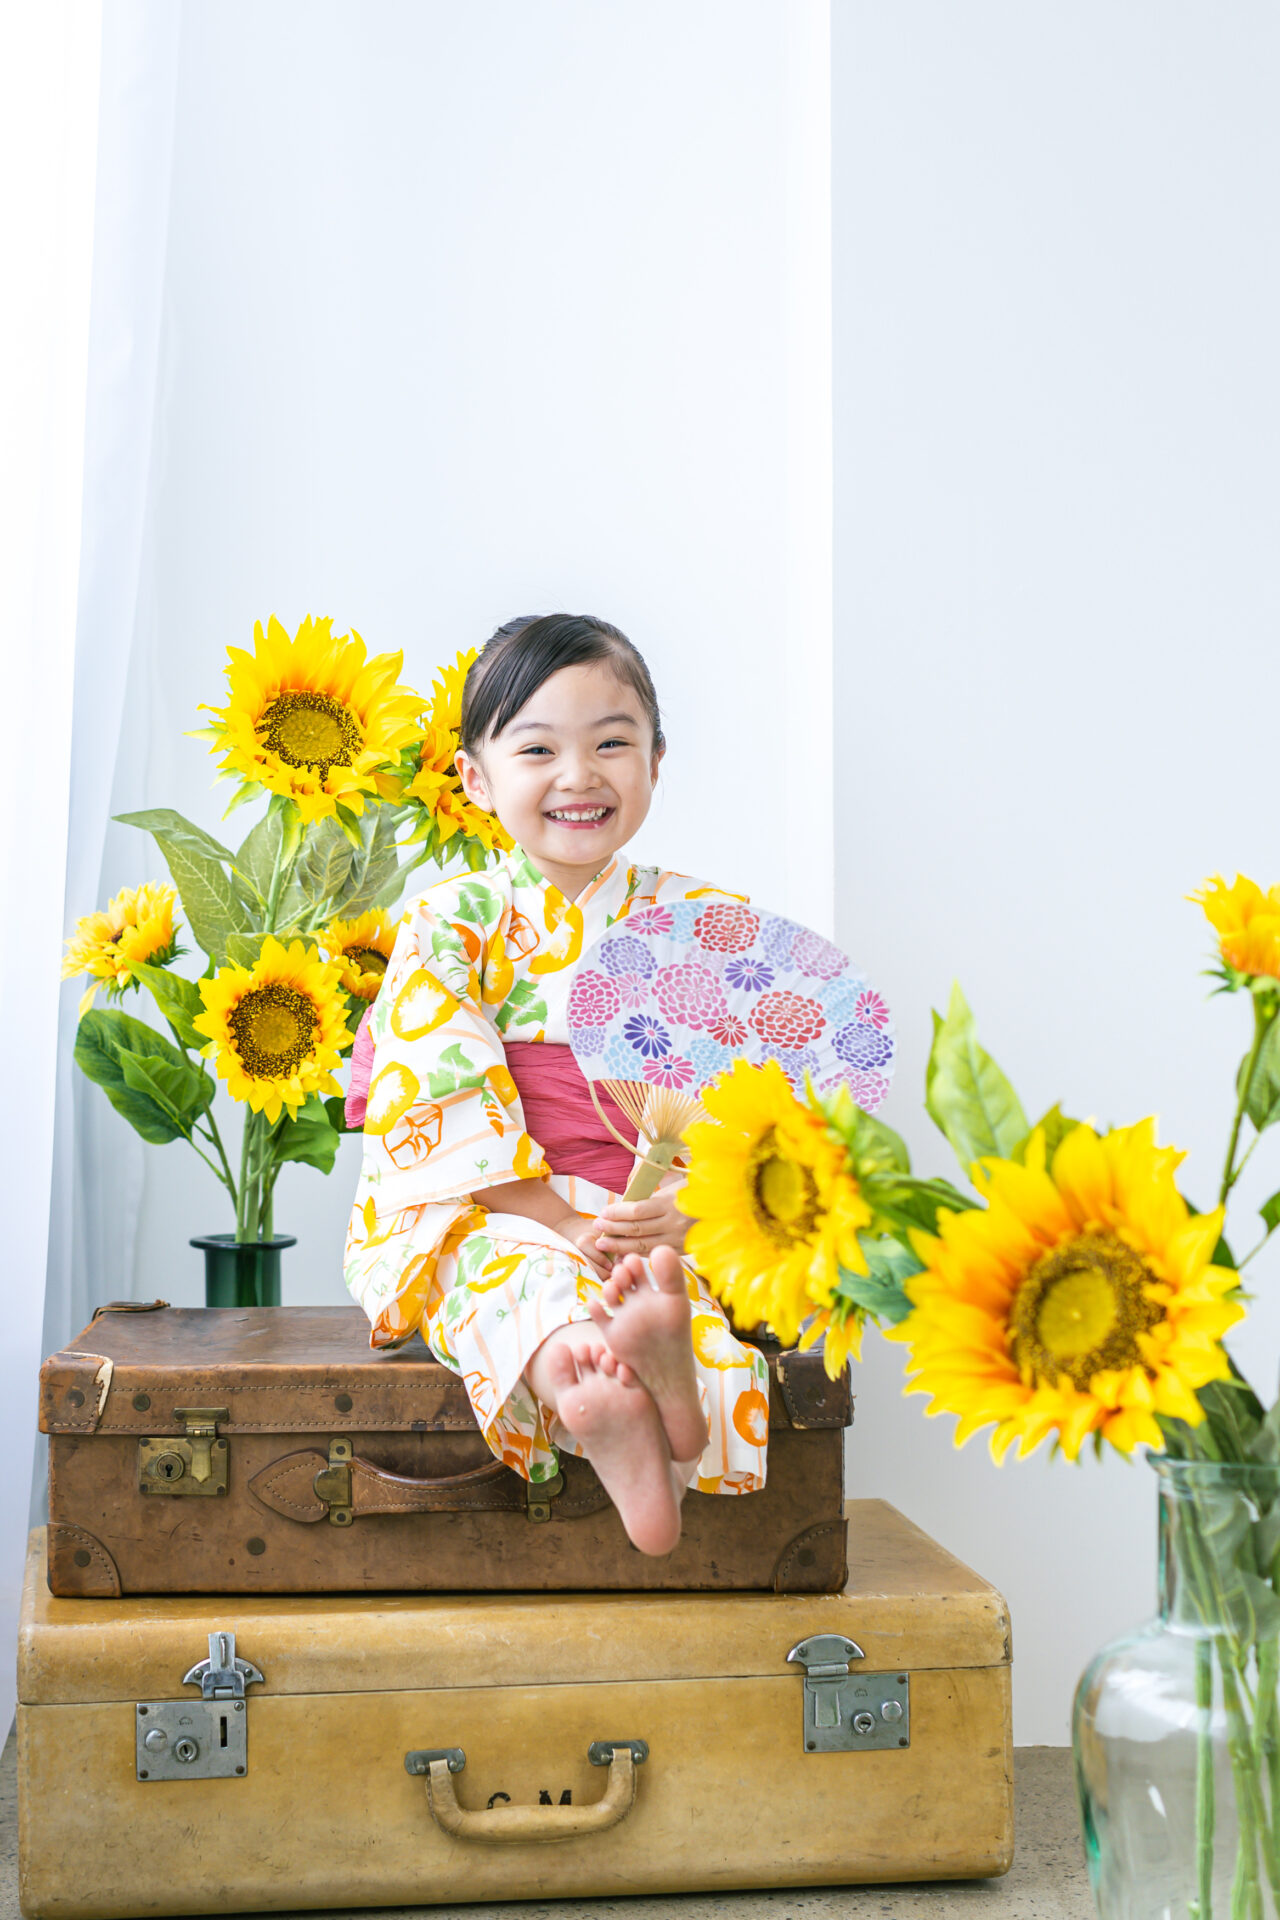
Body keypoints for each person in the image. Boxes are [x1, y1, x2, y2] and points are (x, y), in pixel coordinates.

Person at [344, 613, 770, 1556]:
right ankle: (602, 1398)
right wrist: (557, 1215)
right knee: (510, 1273)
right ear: (475, 777)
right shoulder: (447, 923)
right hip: (496, 1200)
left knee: (663, 1280)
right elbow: (437, 1086)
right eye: (538, 748)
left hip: (647, 1206)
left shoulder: (703, 921)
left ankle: (644, 1376)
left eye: (611, 743)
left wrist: (694, 1205)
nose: (579, 776)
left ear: (657, 759)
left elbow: (757, 1104)